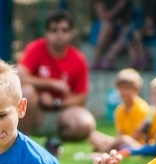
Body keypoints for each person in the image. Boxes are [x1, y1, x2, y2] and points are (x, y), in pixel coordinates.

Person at [17, 9, 97, 156]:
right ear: (47, 33)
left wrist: (56, 103)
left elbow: (82, 97)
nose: (59, 34)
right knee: (26, 92)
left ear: (71, 33)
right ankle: (22, 143)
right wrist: (50, 84)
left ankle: (54, 142)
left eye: (64, 30)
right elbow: (19, 76)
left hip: (60, 112)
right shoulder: (36, 48)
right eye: (54, 30)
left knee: (85, 124)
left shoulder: (78, 59)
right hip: (34, 111)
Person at [87, 68, 152, 155]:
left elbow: (137, 135)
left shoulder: (142, 108)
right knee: (91, 135)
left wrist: (116, 142)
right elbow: (119, 135)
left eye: (127, 89)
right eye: (121, 88)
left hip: (138, 145)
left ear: (137, 89)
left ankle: (103, 151)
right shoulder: (119, 110)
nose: (124, 92)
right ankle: (106, 149)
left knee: (124, 139)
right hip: (121, 143)